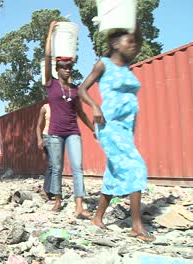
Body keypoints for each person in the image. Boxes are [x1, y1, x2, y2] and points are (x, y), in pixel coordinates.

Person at [77, 23, 155, 242]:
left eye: (135, 43)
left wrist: (134, 18)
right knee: (135, 166)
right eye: (128, 41)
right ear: (114, 43)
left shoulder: (126, 67)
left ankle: (97, 218)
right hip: (108, 126)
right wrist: (95, 106)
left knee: (113, 174)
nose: (134, 46)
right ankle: (137, 226)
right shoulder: (104, 64)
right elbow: (82, 89)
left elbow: (137, 38)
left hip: (126, 127)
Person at [44, 21, 95, 218]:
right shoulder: (51, 84)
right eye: (63, 67)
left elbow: (81, 112)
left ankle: (79, 205)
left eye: (69, 67)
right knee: (57, 168)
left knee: (77, 168)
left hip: (73, 132)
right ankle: (57, 200)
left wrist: (92, 128)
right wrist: (50, 32)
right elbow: (47, 57)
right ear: (57, 69)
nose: (67, 69)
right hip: (55, 133)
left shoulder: (75, 89)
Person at [36, 103, 54, 200]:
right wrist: (39, 139)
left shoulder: (62, 105)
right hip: (47, 136)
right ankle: (46, 190)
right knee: (53, 163)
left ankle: (52, 190)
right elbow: (39, 126)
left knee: (57, 164)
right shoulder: (45, 107)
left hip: (59, 138)